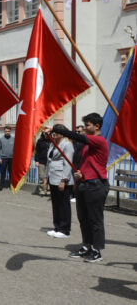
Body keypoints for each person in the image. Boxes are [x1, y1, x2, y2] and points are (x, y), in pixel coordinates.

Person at [47, 113, 108, 263]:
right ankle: (86, 245)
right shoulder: (88, 145)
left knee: (95, 219)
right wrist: (81, 173)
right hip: (84, 184)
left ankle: (97, 250)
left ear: (97, 126)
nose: (84, 129)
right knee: (83, 219)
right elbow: (89, 164)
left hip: (96, 185)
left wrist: (57, 129)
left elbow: (78, 137)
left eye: (87, 126)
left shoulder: (99, 140)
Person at [45, 125, 74, 239]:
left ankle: (65, 229)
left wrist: (64, 180)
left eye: (56, 132)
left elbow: (68, 163)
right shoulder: (53, 143)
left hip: (62, 178)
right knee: (55, 204)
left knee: (63, 204)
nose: (54, 134)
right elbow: (49, 161)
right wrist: (46, 178)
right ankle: (57, 227)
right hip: (53, 177)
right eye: (53, 132)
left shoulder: (67, 144)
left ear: (62, 133)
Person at [0, 126, 14, 190]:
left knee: (11, 173)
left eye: (8, 131)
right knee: (3, 172)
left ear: (10, 131)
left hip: (11, 158)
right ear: (4, 131)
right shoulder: (1, 139)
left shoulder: (13, 139)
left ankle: (11, 186)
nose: (7, 132)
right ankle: (1, 186)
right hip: (3, 158)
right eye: (6, 131)